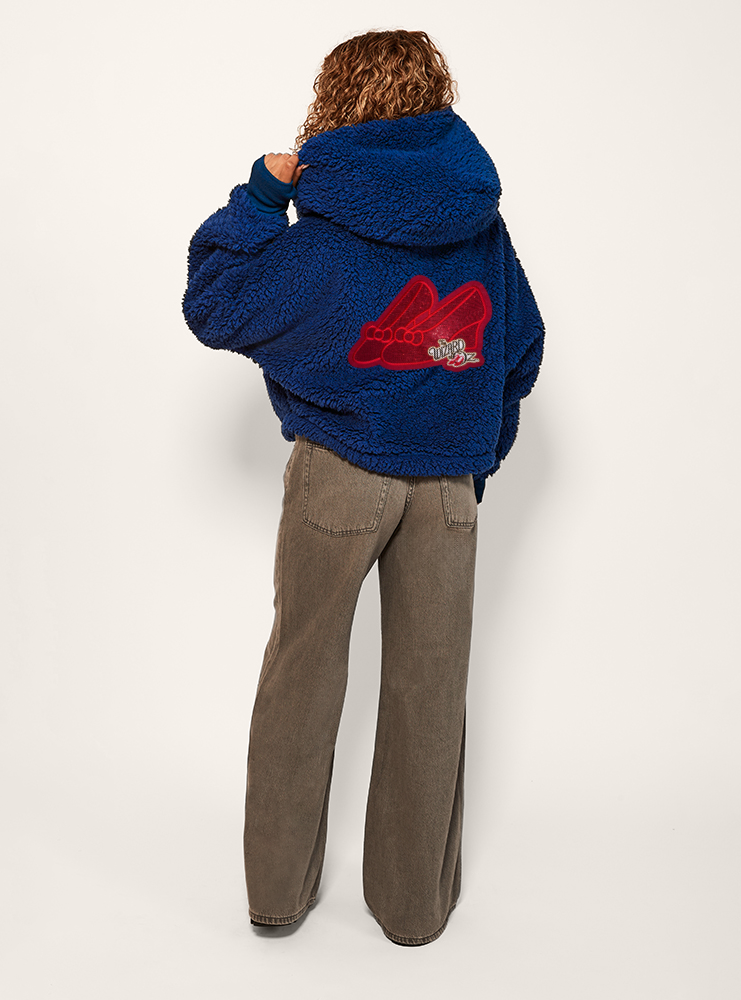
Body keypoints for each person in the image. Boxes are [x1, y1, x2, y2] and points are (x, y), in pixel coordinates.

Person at [182, 29, 545, 946]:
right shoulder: (480, 226)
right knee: (432, 692)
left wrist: (261, 195)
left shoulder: (326, 238)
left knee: (302, 677)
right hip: (446, 487)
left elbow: (215, 301)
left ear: (338, 101)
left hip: (340, 476)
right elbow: (521, 348)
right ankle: (414, 911)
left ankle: (275, 899)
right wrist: (473, 452)